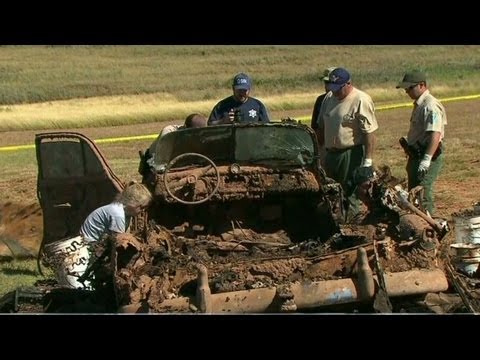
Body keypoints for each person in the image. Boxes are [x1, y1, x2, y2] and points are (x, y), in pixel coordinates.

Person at [317, 67, 378, 222]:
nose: (335, 92)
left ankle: (351, 226)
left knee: (350, 193)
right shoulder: (328, 98)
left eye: (338, 88)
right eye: (332, 88)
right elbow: (321, 127)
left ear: (348, 83)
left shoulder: (360, 99)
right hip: (330, 153)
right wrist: (319, 152)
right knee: (330, 192)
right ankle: (334, 224)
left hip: (350, 153)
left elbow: (369, 132)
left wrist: (368, 161)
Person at [396, 70, 447, 215]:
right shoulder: (420, 104)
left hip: (427, 156)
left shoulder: (430, 106)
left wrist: (426, 159)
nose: (407, 91)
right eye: (406, 89)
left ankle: (430, 227)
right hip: (416, 155)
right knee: (413, 194)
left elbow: (435, 134)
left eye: (410, 88)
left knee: (422, 192)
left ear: (422, 85)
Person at [80, 182, 153, 242]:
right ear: (132, 203)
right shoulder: (118, 214)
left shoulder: (124, 211)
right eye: (141, 207)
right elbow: (119, 241)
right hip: (88, 243)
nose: (143, 210)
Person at [311, 66, 335, 166]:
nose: (326, 86)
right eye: (325, 83)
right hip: (325, 147)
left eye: (329, 83)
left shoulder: (351, 99)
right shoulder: (321, 100)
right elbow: (316, 127)